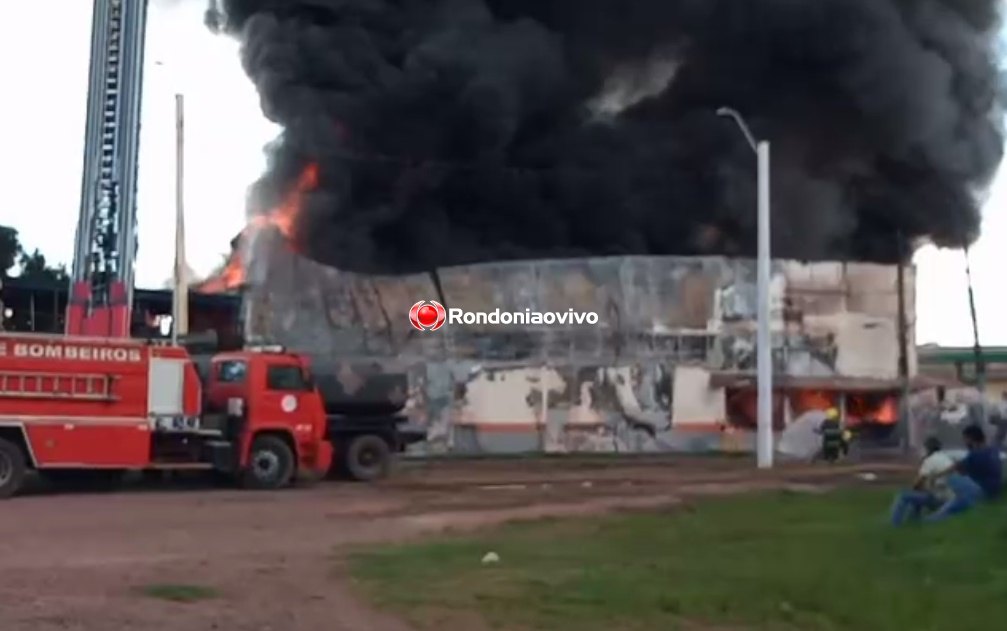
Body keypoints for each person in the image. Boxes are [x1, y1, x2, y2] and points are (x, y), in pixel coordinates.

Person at [890, 436, 955, 526]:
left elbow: (919, 482)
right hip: (951, 497)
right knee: (920, 493)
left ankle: (895, 524)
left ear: (927, 448)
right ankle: (914, 520)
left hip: (938, 498)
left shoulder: (929, 461)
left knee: (903, 496)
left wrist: (912, 489)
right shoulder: (946, 458)